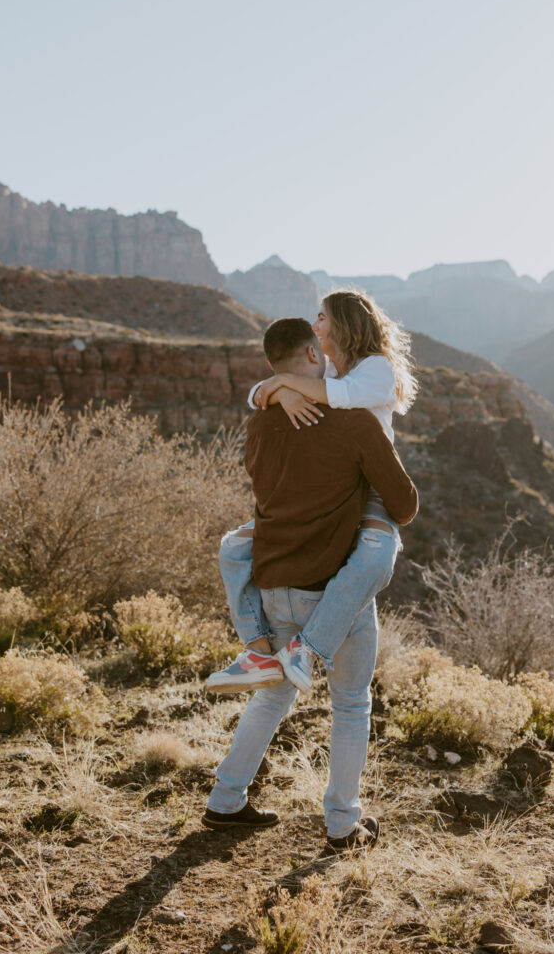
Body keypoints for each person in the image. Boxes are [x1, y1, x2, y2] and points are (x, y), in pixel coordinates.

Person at [202, 317, 418, 852]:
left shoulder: (259, 424)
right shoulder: (355, 423)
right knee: (350, 704)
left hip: (276, 582)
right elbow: (406, 506)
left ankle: (225, 801)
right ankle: (343, 824)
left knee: (272, 698)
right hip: (334, 586)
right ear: (310, 353)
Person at [205, 289, 418, 696]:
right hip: (331, 485)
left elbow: (343, 400)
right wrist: (280, 389)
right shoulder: (332, 368)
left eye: (322, 317)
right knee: (233, 547)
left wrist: (283, 381)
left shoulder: (376, 369)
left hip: (372, 485)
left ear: (343, 322)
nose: (315, 324)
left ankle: (310, 645)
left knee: (375, 557)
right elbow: (257, 395)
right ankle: (256, 651)